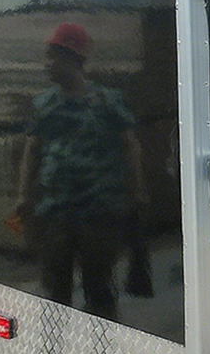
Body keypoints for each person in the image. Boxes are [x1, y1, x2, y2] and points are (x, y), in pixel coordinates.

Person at [13, 23, 148, 320]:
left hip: (98, 213)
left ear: (73, 59)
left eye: (54, 57)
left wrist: (136, 193)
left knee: (99, 289)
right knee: (55, 291)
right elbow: (32, 151)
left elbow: (130, 147)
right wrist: (24, 196)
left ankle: (102, 342)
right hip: (56, 213)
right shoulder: (45, 103)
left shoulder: (107, 101)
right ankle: (56, 343)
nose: (48, 64)